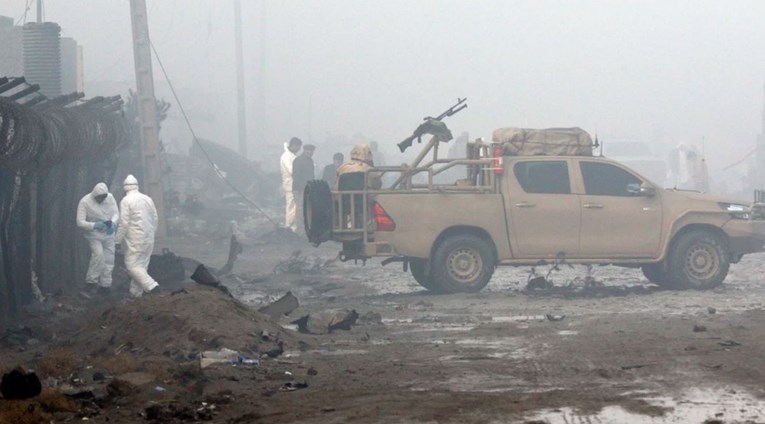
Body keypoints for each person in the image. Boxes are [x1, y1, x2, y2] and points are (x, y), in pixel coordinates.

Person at [115, 175, 159, 297]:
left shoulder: (126, 201)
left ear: (125, 188)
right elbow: (155, 218)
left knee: (132, 266)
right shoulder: (147, 199)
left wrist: (117, 240)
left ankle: (153, 286)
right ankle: (135, 295)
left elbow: (124, 223)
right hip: (149, 238)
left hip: (135, 239)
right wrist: (151, 233)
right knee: (141, 267)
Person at [76, 182, 119, 292]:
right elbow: (80, 222)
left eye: (103, 197)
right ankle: (91, 281)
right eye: (99, 198)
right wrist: (94, 225)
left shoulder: (110, 198)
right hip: (94, 234)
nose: (101, 199)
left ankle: (105, 285)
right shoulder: (85, 201)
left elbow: (115, 213)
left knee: (109, 259)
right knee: (98, 255)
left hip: (109, 233)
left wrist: (113, 223)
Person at [280, 137, 302, 232]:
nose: (299, 149)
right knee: (291, 207)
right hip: (290, 185)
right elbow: (292, 170)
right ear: (294, 145)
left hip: (294, 185)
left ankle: (293, 227)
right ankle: (290, 227)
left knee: (295, 207)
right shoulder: (286, 157)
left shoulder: (291, 156)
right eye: (298, 147)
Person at [292, 144, 316, 232]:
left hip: (307, 188)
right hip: (300, 189)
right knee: (300, 207)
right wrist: (299, 188)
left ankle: (305, 226)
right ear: (304, 150)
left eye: (311, 151)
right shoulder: (298, 160)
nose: (310, 152)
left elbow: (311, 176)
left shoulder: (309, 161)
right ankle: (300, 227)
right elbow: (296, 175)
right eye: (308, 150)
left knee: (306, 207)